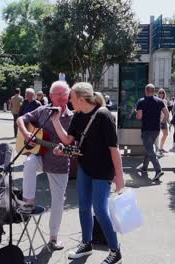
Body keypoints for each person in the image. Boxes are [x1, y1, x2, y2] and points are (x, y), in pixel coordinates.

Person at [50, 82, 124, 264]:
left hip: (102, 170)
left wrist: (119, 177)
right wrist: (55, 121)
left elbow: (114, 149)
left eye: (72, 98)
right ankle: (86, 243)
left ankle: (115, 251)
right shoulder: (78, 116)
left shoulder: (104, 116)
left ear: (81, 99)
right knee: (83, 207)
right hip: (85, 167)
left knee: (100, 209)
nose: (69, 101)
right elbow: (68, 140)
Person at [16, 81, 73, 251]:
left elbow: (73, 144)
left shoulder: (72, 117)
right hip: (41, 157)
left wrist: (64, 150)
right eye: (58, 95)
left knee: (57, 203)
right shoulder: (42, 110)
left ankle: (53, 238)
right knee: (29, 162)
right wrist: (26, 133)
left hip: (59, 164)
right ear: (51, 95)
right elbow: (21, 118)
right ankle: (29, 201)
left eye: (65, 95)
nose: (62, 99)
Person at [136, 84, 169, 180]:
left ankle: (158, 170)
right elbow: (166, 114)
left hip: (146, 129)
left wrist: (136, 112)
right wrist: (162, 122)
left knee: (150, 149)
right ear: (154, 91)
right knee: (149, 148)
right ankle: (144, 168)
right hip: (156, 129)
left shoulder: (141, 102)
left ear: (146, 91)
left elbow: (139, 117)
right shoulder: (160, 101)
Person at [157, 88, 169, 153]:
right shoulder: (157, 100)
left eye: (162, 92)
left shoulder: (165, 101)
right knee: (157, 135)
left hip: (164, 120)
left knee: (166, 134)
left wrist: (168, 119)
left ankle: (161, 148)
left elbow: (166, 111)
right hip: (158, 120)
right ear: (158, 94)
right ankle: (156, 148)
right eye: (160, 92)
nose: (161, 94)